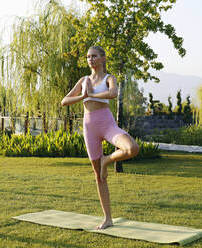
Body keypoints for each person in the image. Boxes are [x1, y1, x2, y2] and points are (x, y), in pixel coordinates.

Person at [61, 46, 139, 230]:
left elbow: (113, 93)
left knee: (132, 148)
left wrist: (93, 94)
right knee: (99, 177)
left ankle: (107, 160)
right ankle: (108, 219)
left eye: (94, 56)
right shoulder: (84, 80)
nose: (90, 59)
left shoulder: (109, 78)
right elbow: (64, 100)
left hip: (107, 125)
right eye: (88, 56)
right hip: (89, 128)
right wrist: (82, 95)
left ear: (103, 58)